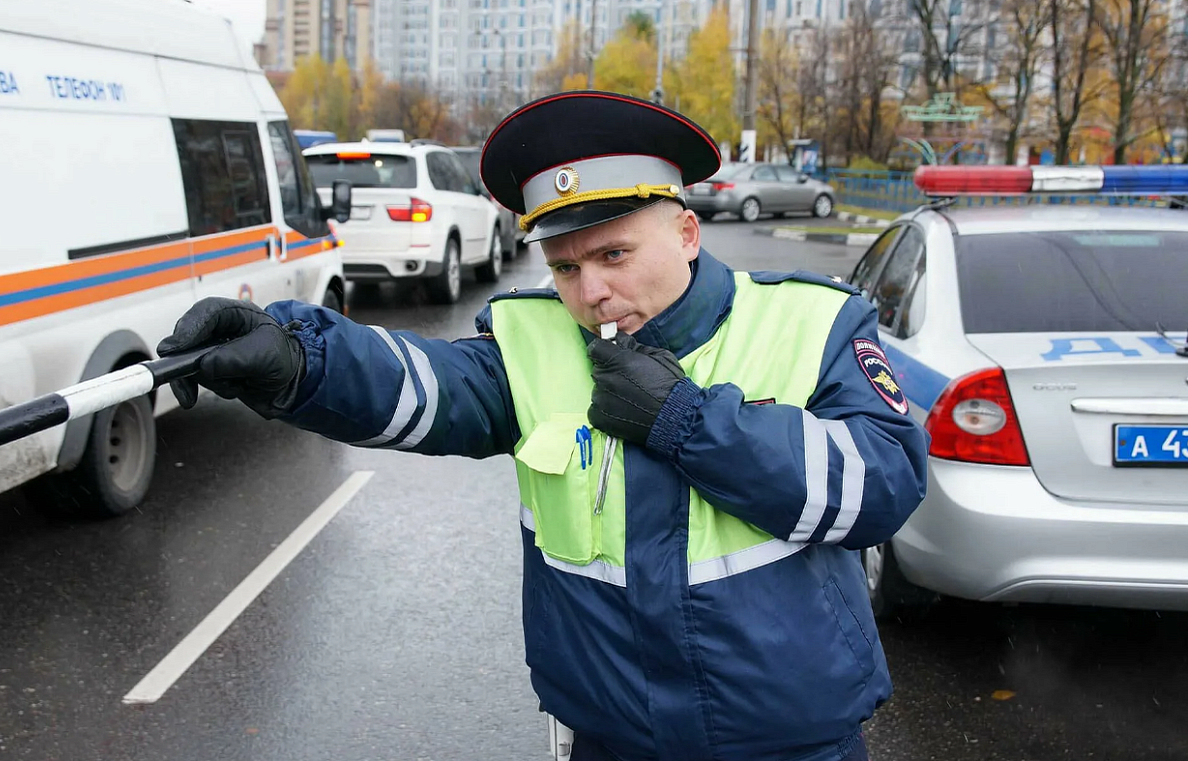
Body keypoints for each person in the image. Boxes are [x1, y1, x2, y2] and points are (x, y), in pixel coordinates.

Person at [157, 92, 929, 761]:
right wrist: (298, 359)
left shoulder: (813, 320)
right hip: (612, 737)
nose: (590, 292)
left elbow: (885, 480)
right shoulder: (536, 340)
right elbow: (426, 386)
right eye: (563, 266)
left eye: (614, 253)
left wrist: (688, 421)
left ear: (688, 233)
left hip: (789, 742)